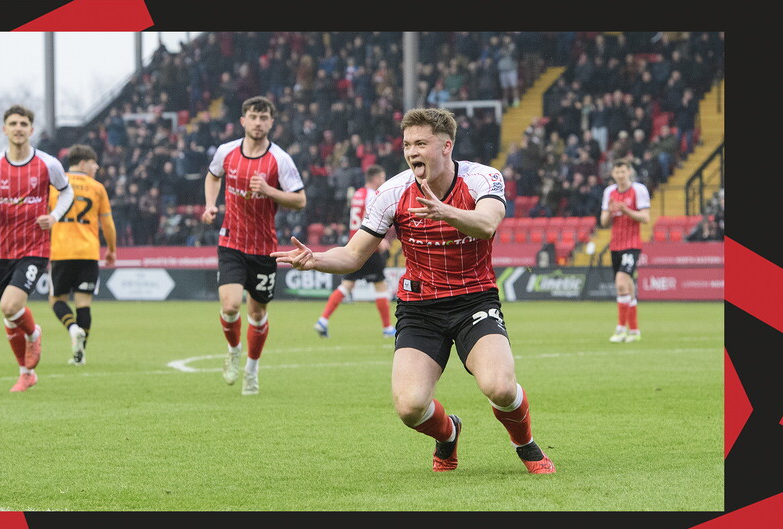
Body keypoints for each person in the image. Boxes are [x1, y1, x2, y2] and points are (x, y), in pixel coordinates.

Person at [272, 108, 555, 474]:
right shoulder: (391, 191)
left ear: (446, 146)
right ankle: (449, 432)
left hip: (474, 301)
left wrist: (446, 211)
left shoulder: (484, 178)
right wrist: (316, 260)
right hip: (420, 308)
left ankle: (526, 445)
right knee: (409, 407)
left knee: (500, 387)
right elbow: (354, 255)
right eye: (407, 144)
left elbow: (487, 225)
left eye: (421, 143)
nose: (412, 152)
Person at [201, 96, 307, 396]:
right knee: (230, 305)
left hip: (263, 247)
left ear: (271, 122)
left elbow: (299, 200)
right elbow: (212, 176)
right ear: (243, 120)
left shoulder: (280, 160)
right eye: (253, 116)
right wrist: (210, 205)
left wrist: (270, 190)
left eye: (264, 117)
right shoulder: (226, 152)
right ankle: (234, 350)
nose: (258, 122)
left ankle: (252, 368)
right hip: (231, 240)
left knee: (257, 314)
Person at [0, 105, 74, 392]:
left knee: (9, 306)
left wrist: (54, 217)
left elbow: (67, 192)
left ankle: (34, 332)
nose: (18, 128)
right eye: (13, 123)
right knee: (10, 316)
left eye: (23, 123)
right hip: (4, 249)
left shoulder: (47, 164)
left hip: (35, 247)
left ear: (31, 129)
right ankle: (26, 373)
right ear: (4, 129)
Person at [48, 143, 118, 366]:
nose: (96, 167)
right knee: (84, 303)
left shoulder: (54, 187)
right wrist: (112, 250)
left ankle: (72, 328)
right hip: (88, 252)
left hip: (61, 251)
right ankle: (80, 354)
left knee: (56, 300)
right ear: (82, 163)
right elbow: (107, 224)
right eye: (94, 163)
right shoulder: (97, 188)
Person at [314, 164, 395, 339]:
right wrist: (379, 242)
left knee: (346, 285)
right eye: (382, 177)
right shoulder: (373, 195)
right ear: (375, 178)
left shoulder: (358, 194)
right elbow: (371, 221)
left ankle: (323, 320)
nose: (383, 181)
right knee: (380, 285)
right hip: (368, 247)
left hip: (354, 245)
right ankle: (388, 328)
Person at [599, 158, 651, 343]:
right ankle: (635, 331)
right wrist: (612, 211)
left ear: (629, 172)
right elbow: (603, 221)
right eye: (617, 172)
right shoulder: (609, 192)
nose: (620, 175)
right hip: (615, 245)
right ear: (613, 174)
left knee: (621, 283)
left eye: (623, 171)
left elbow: (645, 218)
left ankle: (620, 329)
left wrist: (626, 210)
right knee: (627, 286)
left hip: (632, 244)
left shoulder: (639, 190)